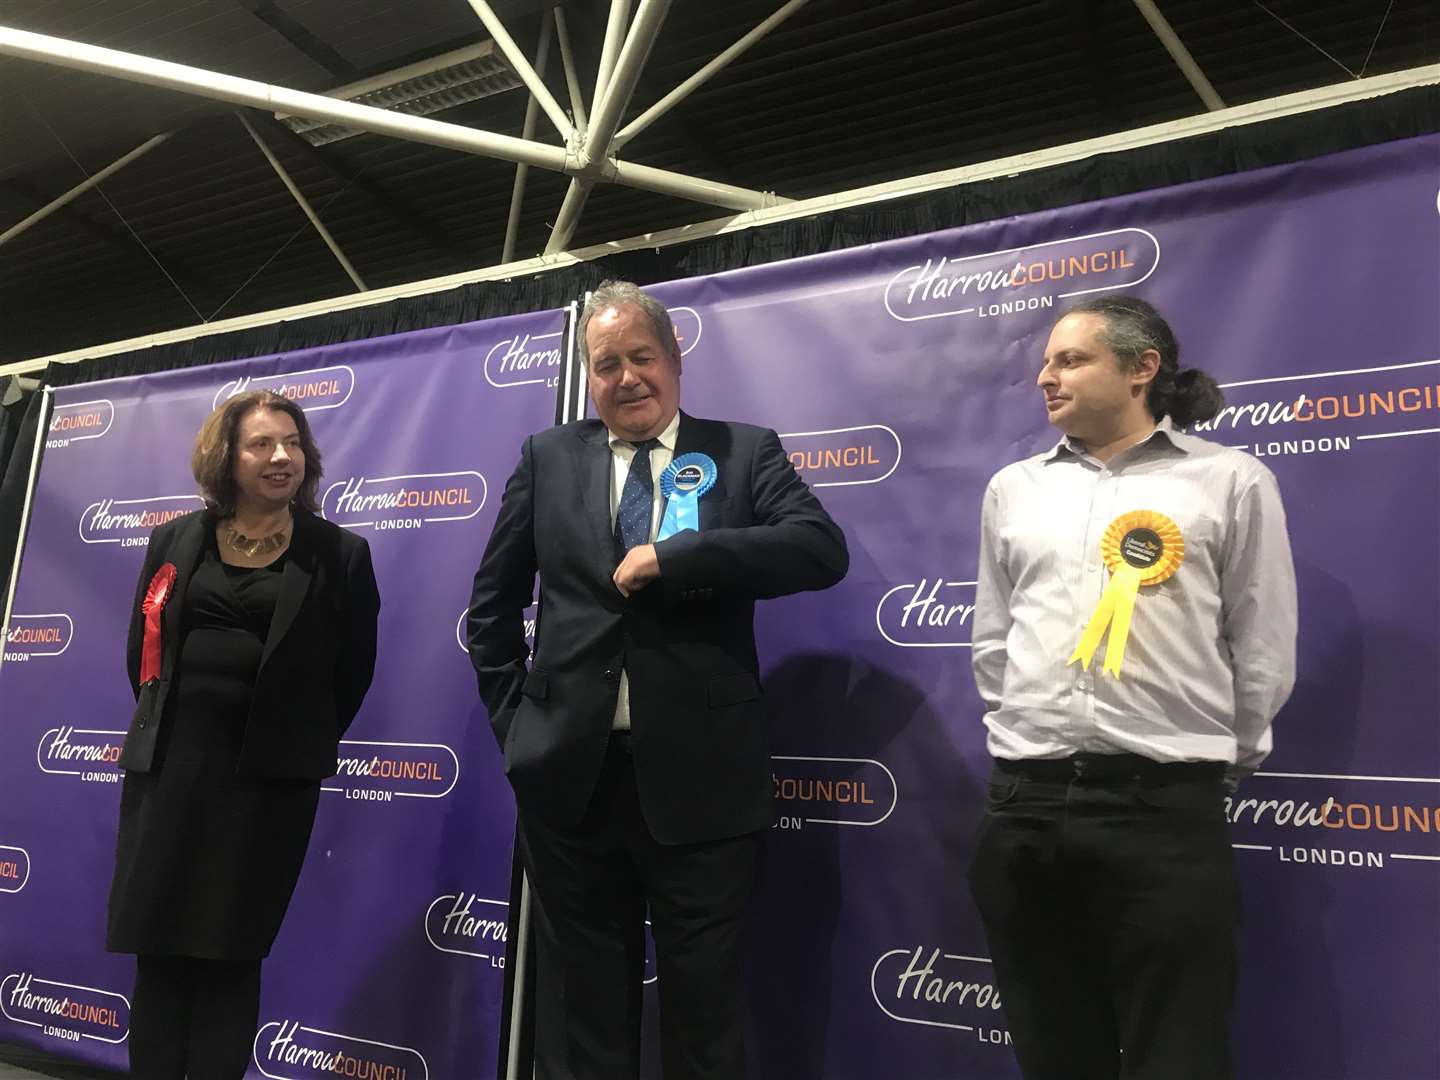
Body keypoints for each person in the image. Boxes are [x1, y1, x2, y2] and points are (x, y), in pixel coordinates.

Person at [467, 279, 848, 1079]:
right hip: (571, 782)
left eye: (642, 357)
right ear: (589, 376)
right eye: (606, 364)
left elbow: (819, 549)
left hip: (705, 785)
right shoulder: (548, 458)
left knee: (705, 1011)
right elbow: (492, 607)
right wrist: (518, 727)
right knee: (582, 1013)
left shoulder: (743, 451)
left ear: (675, 362)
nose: (627, 377)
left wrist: (677, 557)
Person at [968, 295, 1297, 1080]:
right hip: (1026, 811)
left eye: (1070, 360)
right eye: (1046, 361)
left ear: (1142, 368)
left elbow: (1262, 651)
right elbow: (994, 641)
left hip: (1165, 813)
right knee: (1052, 1055)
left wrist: (1200, 765)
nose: (1044, 377)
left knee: (1176, 1055)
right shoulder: (1012, 489)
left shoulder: (1232, 482)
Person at [106, 389, 380, 1079]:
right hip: (167, 776)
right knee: (159, 956)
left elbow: (351, 676)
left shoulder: (338, 554)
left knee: (230, 959)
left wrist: (286, 741)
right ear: (226, 456)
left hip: (263, 791)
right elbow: (143, 651)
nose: (281, 456)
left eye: (292, 443)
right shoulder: (176, 539)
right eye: (262, 444)